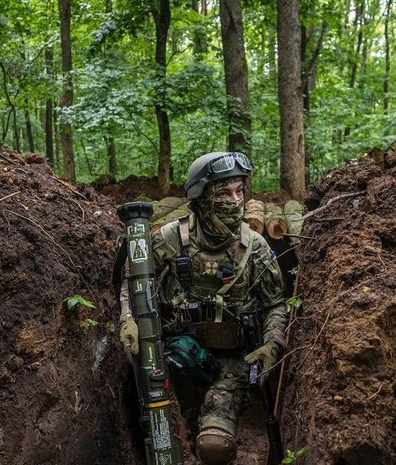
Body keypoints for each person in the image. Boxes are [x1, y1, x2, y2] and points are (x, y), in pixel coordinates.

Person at [117, 152, 288, 465]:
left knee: (214, 448)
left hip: (229, 365)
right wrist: (127, 318)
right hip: (173, 358)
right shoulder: (171, 239)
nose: (234, 200)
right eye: (223, 193)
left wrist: (271, 345)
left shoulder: (255, 247)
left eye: (240, 191)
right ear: (201, 197)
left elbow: (275, 304)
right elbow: (134, 279)